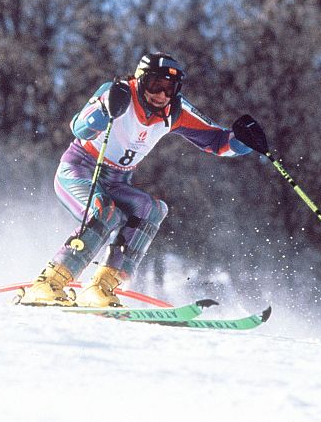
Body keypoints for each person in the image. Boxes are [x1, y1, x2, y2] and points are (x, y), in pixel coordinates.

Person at [19, 52, 252, 307]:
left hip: (117, 181)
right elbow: (79, 128)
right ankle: (48, 283)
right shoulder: (119, 93)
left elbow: (217, 141)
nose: (161, 95)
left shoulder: (175, 111)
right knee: (104, 212)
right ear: (141, 80)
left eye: (170, 88)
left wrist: (243, 143)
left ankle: (101, 287)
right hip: (81, 168)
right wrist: (104, 110)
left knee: (152, 209)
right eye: (155, 85)